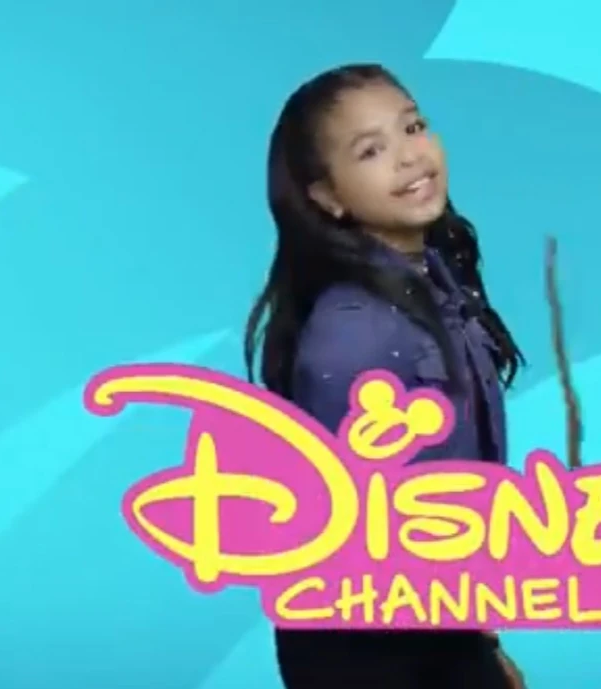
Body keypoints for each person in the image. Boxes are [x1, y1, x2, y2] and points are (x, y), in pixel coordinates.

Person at [243, 63, 527, 689]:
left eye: (413, 127)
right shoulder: (353, 335)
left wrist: (481, 642)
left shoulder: (438, 283)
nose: (409, 157)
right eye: (371, 150)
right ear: (328, 197)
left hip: (439, 625)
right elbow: (366, 537)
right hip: (378, 650)